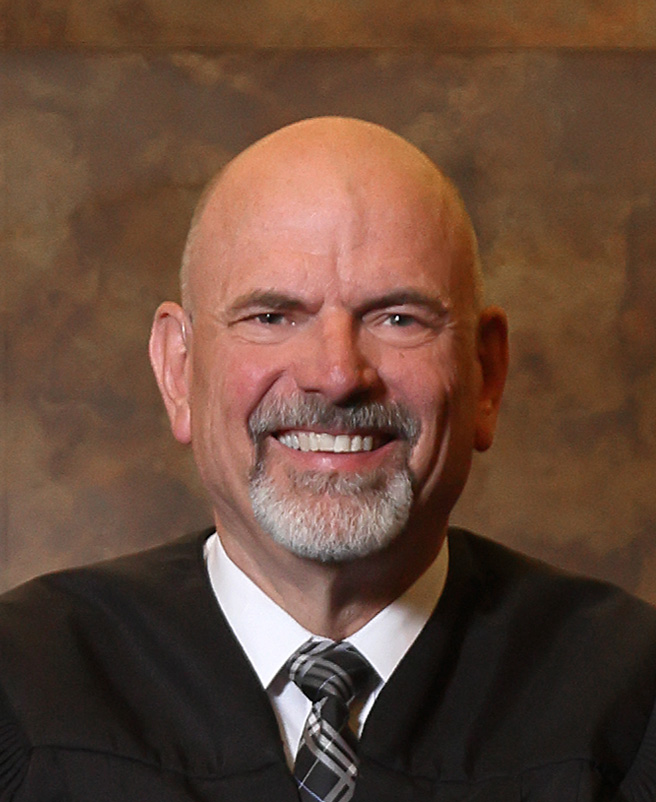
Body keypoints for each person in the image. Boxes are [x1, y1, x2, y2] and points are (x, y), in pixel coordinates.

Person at [0, 117, 654, 802]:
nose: (338, 374)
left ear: (486, 376)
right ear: (178, 370)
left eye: (398, 317)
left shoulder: (630, 706)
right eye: (272, 317)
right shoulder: (27, 689)